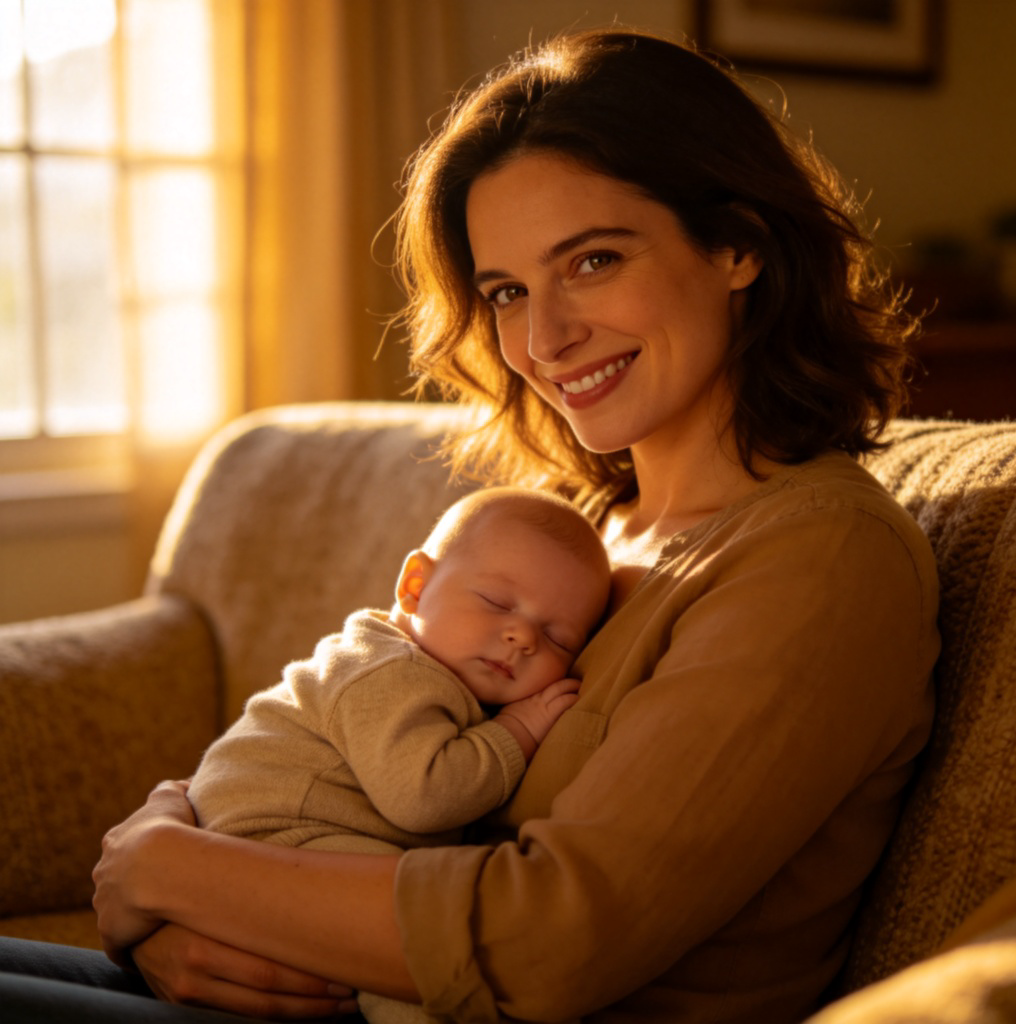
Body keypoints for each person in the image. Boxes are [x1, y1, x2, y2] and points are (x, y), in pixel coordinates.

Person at [0, 26, 940, 1024]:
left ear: (738, 244)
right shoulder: (578, 535)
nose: (543, 338)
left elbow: (554, 935)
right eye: (506, 291)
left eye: (593, 259)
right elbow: (341, 736)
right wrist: (171, 910)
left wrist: (165, 869)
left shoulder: (821, 559)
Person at [187, 486, 611, 1022]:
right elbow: (422, 796)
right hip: (266, 830)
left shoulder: (436, 672)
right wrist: (518, 732)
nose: (522, 636)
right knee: (409, 925)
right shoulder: (388, 668)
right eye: (498, 603)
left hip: (280, 837)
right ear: (416, 585)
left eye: (558, 638)